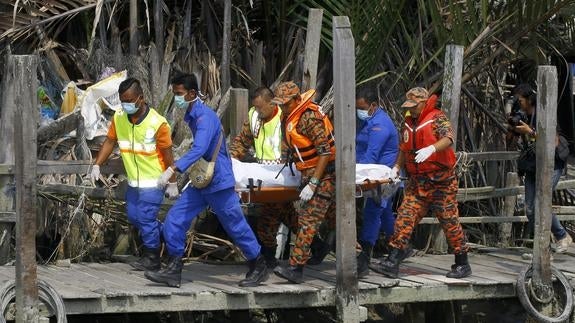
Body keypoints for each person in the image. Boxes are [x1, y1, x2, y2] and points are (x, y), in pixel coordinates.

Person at [144, 73, 268, 288]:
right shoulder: (193, 114)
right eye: (175, 94)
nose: (177, 98)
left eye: (180, 94)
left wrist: (173, 169)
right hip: (202, 180)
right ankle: (174, 269)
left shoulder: (205, 117)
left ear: (192, 93)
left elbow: (200, 148)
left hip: (218, 181)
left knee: (235, 225)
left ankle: (258, 264)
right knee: (174, 219)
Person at [371, 87, 472, 279]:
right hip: (418, 183)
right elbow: (404, 148)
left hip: (441, 182)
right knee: (404, 218)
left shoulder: (437, 117)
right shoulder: (408, 122)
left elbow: (448, 138)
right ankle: (392, 260)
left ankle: (462, 263)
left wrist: (431, 149)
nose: (411, 110)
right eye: (409, 106)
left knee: (449, 222)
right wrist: (396, 168)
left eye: (414, 106)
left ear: (424, 103)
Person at [90, 78, 178, 272]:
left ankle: (152, 258)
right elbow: (110, 141)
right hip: (133, 182)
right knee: (133, 216)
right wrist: (97, 164)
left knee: (146, 218)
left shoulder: (158, 123)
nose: (126, 105)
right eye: (123, 101)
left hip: (154, 181)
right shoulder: (119, 118)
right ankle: (169, 235)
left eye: (129, 100)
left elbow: (168, 156)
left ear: (141, 98)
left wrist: (172, 182)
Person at [271, 81, 336, 284]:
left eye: (286, 103)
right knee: (337, 220)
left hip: (325, 176)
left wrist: (314, 182)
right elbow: (290, 144)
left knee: (308, 222)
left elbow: (325, 152)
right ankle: (359, 258)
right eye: (280, 104)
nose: (282, 107)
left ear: (297, 99)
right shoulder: (289, 116)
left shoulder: (310, 117)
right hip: (307, 174)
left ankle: (295, 268)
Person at [229, 86, 298, 268]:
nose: (258, 111)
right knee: (286, 214)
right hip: (263, 176)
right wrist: (229, 164)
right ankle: (316, 244)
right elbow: (241, 143)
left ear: (272, 102)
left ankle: (268, 259)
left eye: (261, 107)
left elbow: (292, 147)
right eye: (256, 107)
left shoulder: (283, 119)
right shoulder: (253, 117)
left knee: (269, 219)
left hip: (282, 175)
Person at [507, 83, 572, 253]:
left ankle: (562, 236)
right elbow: (510, 139)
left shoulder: (543, 112)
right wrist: (513, 129)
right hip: (532, 164)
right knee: (530, 208)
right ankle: (543, 247)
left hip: (552, 163)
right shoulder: (522, 115)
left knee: (541, 202)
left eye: (520, 100)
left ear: (529, 99)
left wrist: (530, 131)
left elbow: (552, 140)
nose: (519, 103)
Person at [355, 84, 399, 278]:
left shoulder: (380, 125)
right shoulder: (368, 121)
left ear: (373, 105)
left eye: (363, 108)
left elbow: (371, 155)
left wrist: (350, 172)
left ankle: (364, 258)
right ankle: (401, 246)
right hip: (371, 174)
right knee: (385, 213)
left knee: (373, 211)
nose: (360, 112)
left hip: (383, 178)